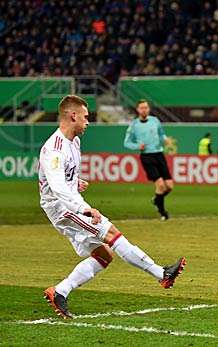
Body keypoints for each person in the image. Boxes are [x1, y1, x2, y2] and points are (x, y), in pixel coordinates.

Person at [40, 95, 186, 319]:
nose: (88, 122)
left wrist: (75, 183)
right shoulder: (54, 148)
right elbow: (57, 188)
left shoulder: (75, 142)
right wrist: (83, 209)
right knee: (112, 234)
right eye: (86, 117)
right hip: (63, 208)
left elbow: (62, 179)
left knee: (104, 255)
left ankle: (60, 291)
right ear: (73, 116)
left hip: (70, 203)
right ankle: (162, 274)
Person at [124, 99, 174, 221]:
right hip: (147, 156)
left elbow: (162, 134)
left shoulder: (155, 120)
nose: (144, 110)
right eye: (141, 108)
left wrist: (166, 139)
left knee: (170, 186)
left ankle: (156, 199)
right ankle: (163, 213)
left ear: (149, 109)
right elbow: (126, 143)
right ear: (137, 110)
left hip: (159, 154)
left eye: (146, 107)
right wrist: (137, 146)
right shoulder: (134, 125)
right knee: (160, 185)